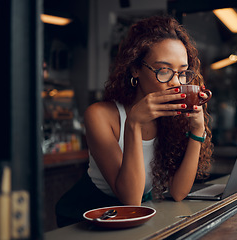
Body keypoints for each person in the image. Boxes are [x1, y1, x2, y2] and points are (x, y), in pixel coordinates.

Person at [56, 15, 213, 227]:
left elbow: (178, 193)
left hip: (137, 221)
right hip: (88, 218)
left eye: (183, 73)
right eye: (164, 70)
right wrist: (134, 124)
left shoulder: (171, 119)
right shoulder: (99, 115)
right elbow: (130, 200)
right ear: (135, 69)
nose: (176, 82)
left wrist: (197, 128)